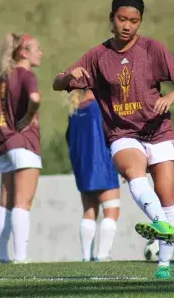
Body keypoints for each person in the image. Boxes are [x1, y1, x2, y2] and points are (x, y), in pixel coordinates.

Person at [53, 0, 174, 279]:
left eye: (134, 20)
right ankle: (159, 222)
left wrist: (171, 98)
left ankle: (164, 265)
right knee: (133, 172)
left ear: (140, 22)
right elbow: (58, 82)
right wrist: (69, 78)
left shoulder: (153, 49)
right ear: (111, 18)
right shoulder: (97, 55)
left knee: (167, 195)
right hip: (123, 133)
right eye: (122, 19)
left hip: (160, 130)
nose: (127, 25)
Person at [0, 33, 43, 264]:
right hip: (24, 144)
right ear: (23, 53)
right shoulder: (26, 75)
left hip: (4, 144)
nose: (41, 53)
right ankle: (21, 258)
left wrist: (7, 109)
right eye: (37, 48)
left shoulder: (5, 77)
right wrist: (27, 116)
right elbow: (35, 98)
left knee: (5, 202)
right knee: (23, 203)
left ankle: (2, 257)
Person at [66, 89, 120, 262]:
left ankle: (86, 257)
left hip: (83, 168)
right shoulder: (102, 107)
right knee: (111, 210)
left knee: (89, 211)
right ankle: (103, 255)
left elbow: (69, 139)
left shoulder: (74, 110)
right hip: (103, 165)